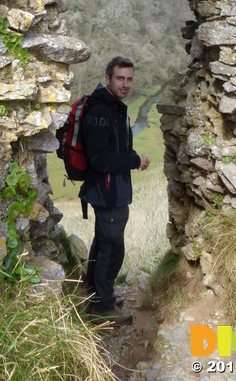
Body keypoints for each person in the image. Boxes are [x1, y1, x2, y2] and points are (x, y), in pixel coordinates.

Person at [80, 56, 150, 326]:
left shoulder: (114, 107)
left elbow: (115, 149)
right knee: (112, 249)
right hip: (106, 192)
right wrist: (135, 160)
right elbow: (99, 159)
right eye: (120, 78)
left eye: (129, 79)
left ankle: (98, 293)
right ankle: (102, 308)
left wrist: (132, 156)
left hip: (112, 190)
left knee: (103, 243)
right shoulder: (100, 111)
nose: (125, 84)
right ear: (107, 78)